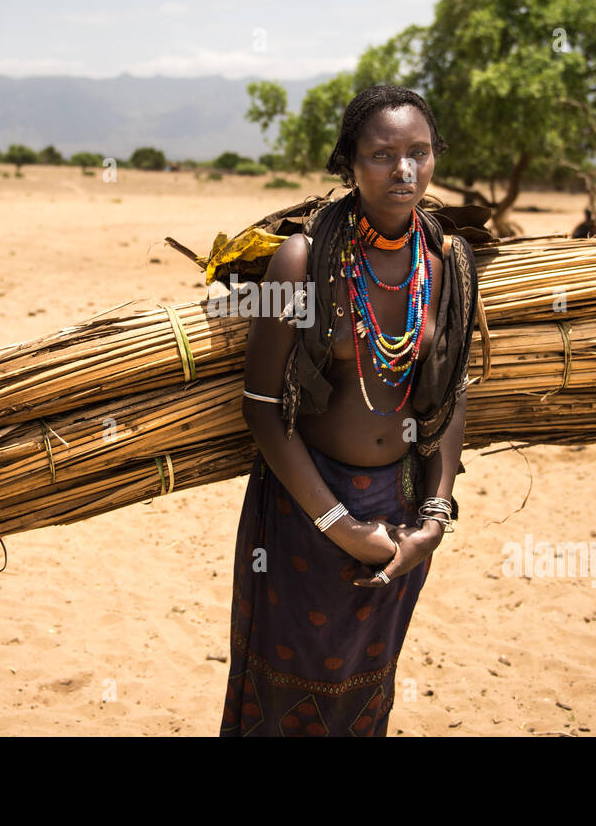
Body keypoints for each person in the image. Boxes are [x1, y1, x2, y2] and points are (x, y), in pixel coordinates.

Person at [220, 85, 478, 736]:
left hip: (401, 511)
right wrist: (337, 523)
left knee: (365, 696)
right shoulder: (304, 260)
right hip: (306, 507)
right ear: (348, 163)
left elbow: (453, 392)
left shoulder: (444, 263)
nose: (404, 170)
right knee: (282, 693)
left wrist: (436, 515)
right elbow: (261, 407)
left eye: (419, 152)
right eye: (382, 153)